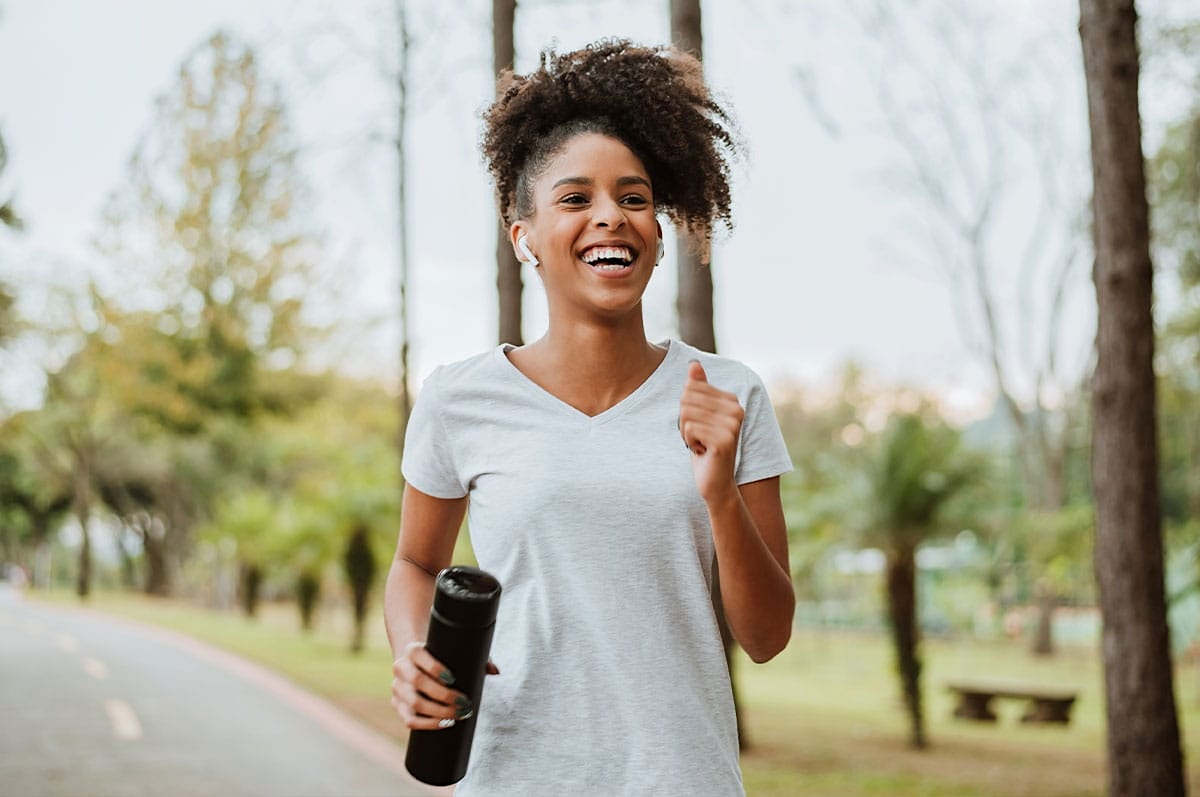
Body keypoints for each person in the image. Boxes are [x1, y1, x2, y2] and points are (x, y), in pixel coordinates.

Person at [384, 39, 794, 795]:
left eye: (633, 198)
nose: (611, 216)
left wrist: (720, 495)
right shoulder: (457, 398)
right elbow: (415, 563)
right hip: (513, 777)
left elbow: (766, 636)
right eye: (576, 198)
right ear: (525, 238)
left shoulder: (729, 395)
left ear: (658, 234)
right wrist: (414, 648)